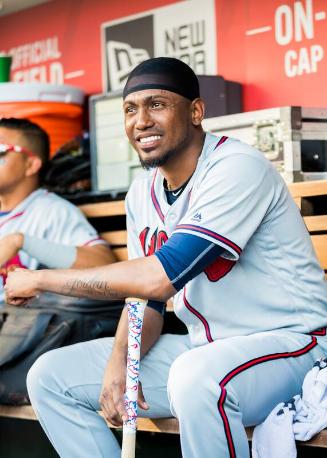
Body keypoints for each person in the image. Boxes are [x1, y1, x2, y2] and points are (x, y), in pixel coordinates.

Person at [5, 58, 327, 458]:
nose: (140, 121)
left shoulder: (236, 167)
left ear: (195, 112)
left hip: (292, 348)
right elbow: (147, 301)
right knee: (51, 377)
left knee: (198, 380)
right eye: (130, 109)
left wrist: (41, 278)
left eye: (156, 104)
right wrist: (120, 361)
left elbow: (159, 278)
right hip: (204, 347)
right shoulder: (142, 192)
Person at [0, 117, 116, 303]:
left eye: (1, 151)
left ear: (31, 165)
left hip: (25, 324)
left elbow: (105, 264)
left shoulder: (52, 211)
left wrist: (20, 241)